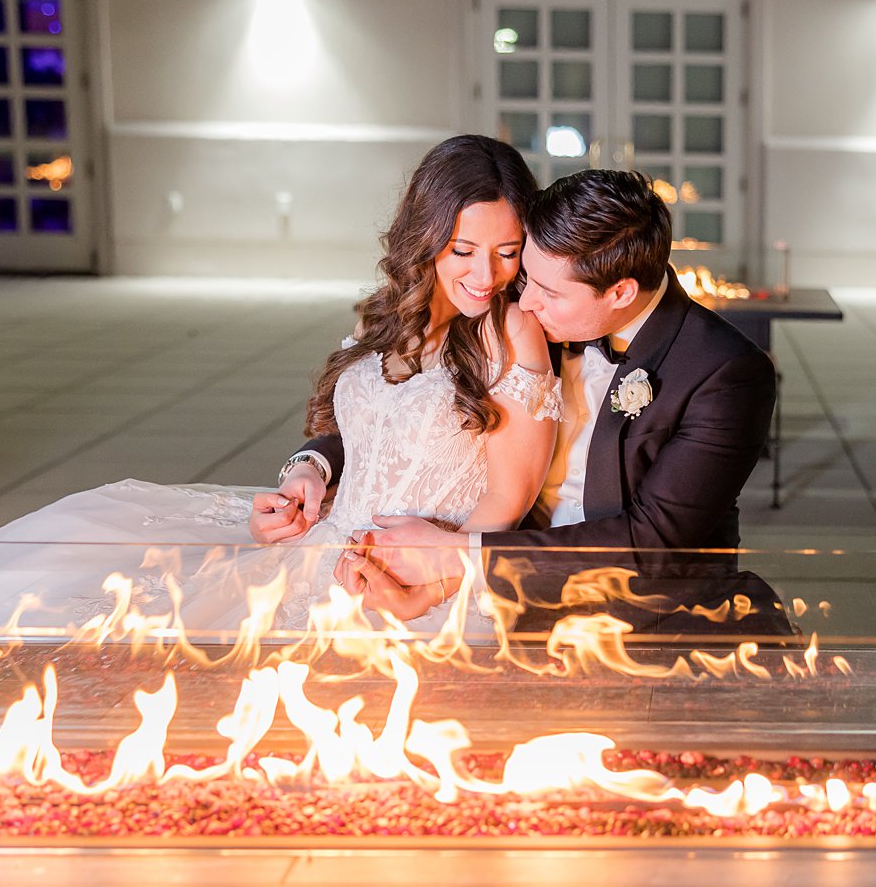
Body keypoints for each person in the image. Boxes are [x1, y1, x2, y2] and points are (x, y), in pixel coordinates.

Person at [0, 135, 561, 637]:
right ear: (426, 237)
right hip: (317, 546)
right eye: (462, 251)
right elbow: (352, 428)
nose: (485, 275)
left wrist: (430, 577)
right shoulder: (388, 311)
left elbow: (506, 504)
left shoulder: (512, 331)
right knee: (90, 599)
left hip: (422, 581)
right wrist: (305, 476)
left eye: (506, 253)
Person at [330, 169, 778, 621]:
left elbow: (653, 543)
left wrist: (456, 558)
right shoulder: (537, 311)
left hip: (648, 614)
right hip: (500, 597)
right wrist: (315, 461)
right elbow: (403, 402)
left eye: (548, 291)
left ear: (620, 292)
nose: (524, 302)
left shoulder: (725, 372)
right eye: (527, 276)